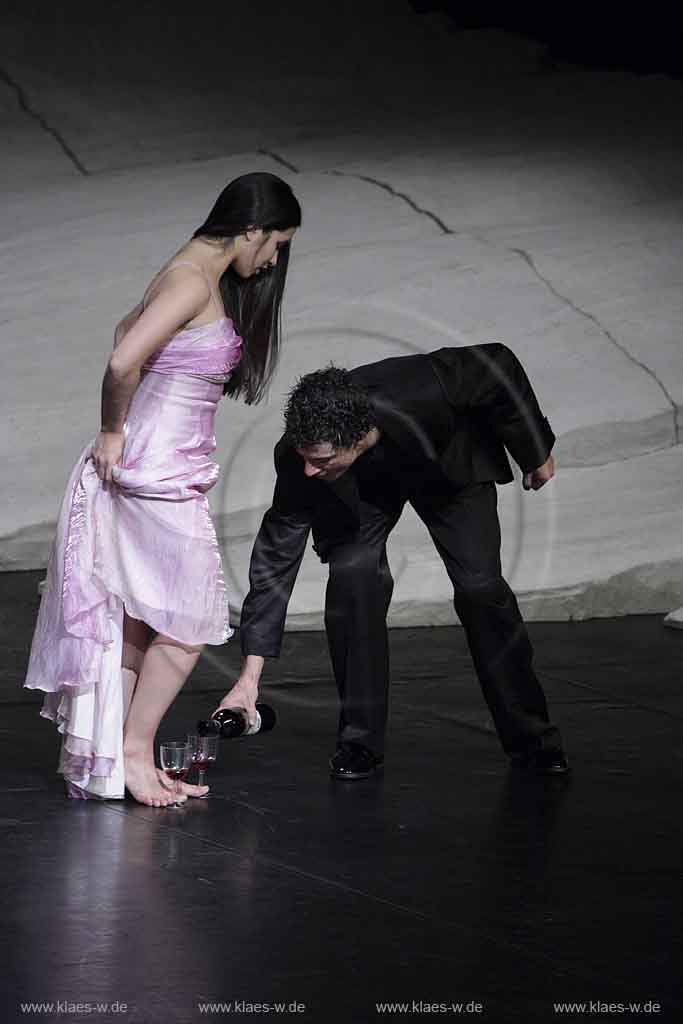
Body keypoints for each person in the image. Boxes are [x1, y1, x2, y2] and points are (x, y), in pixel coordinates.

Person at [24, 172, 301, 805]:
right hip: (154, 473)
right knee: (189, 617)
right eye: (277, 242)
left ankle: (118, 759)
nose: (275, 258)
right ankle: (132, 751)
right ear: (252, 228)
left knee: (143, 618)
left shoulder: (180, 273)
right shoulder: (189, 281)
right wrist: (113, 429)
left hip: (159, 468)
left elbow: (127, 335)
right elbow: (123, 360)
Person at [217, 343, 570, 779]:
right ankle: (359, 742)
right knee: (352, 580)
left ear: (358, 436)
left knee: (482, 590)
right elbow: (275, 560)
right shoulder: (302, 459)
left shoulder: (427, 386)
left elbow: (498, 364)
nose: (308, 471)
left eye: (320, 461)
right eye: (305, 458)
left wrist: (533, 449)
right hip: (364, 487)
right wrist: (249, 678)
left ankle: (534, 740)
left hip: (448, 466)